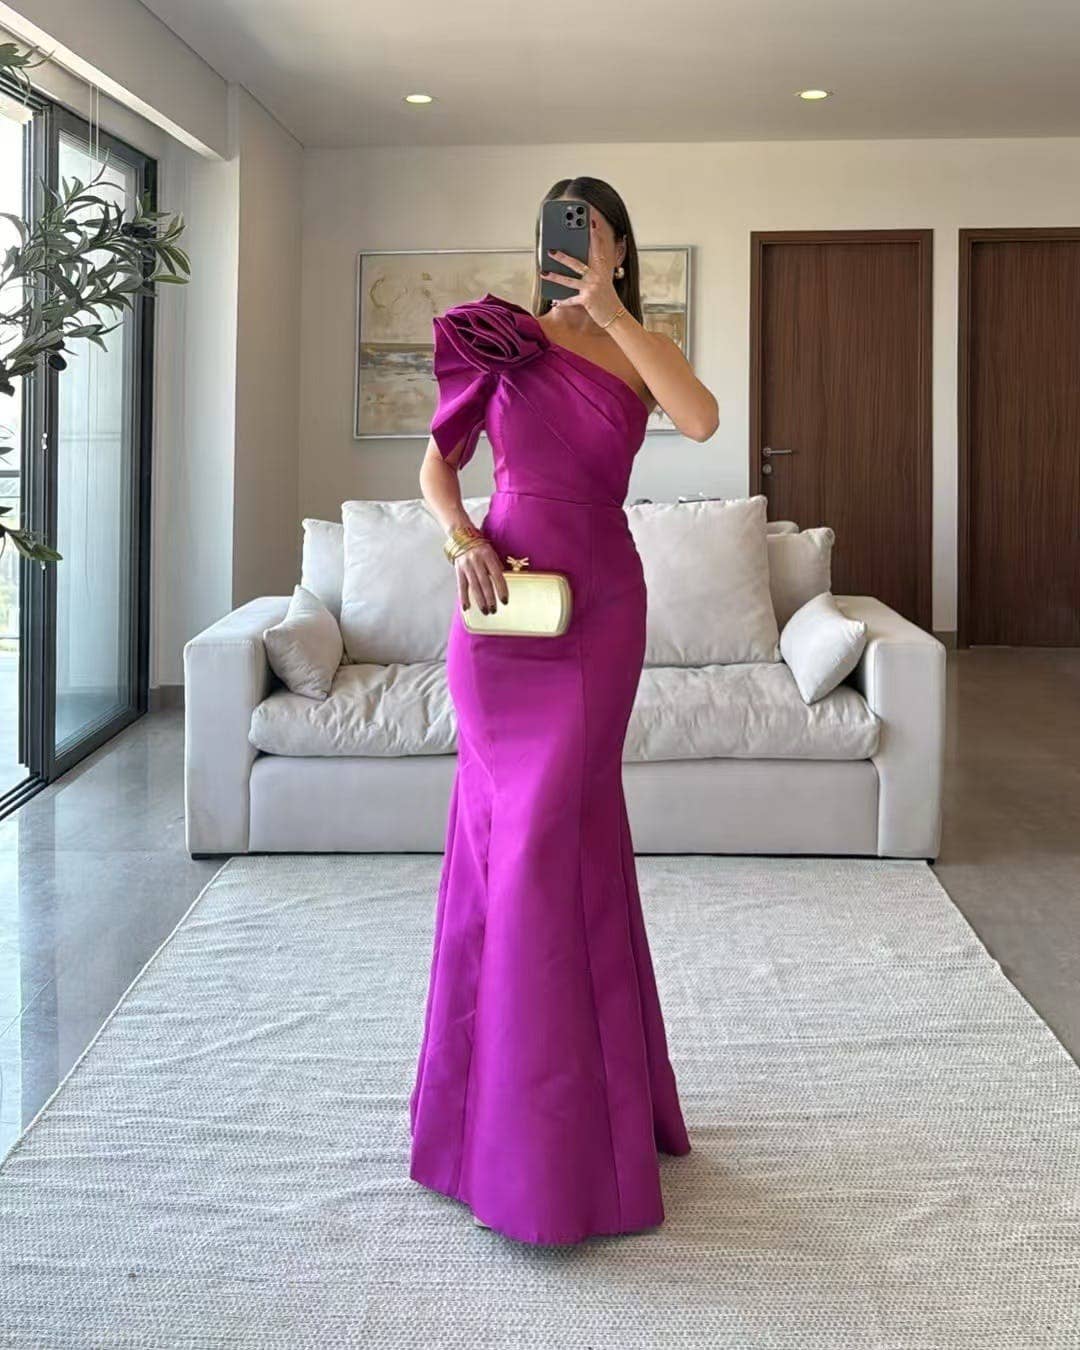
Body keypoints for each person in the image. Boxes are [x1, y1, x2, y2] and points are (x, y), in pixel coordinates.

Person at [408, 176, 720, 1246]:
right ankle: (487, 1132)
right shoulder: (498, 341)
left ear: (622, 248)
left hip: (599, 609)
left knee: (559, 841)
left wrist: (614, 312)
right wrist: (463, 540)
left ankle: (570, 1135)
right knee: (501, 843)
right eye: (560, 233)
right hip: (501, 611)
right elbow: (436, 468)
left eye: (594, 235)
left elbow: (701, 418)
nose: (576, 248)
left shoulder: (642, 346)